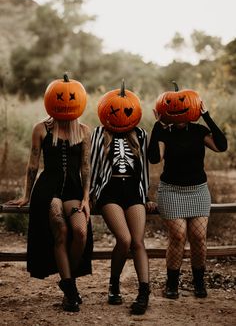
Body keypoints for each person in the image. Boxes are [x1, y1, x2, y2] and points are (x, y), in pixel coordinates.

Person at [8, 91, 93, 312]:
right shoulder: (41, 129)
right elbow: (33, 164)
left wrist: (86, 197)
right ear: (51, 102)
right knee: (61, 229)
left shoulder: (84, 131)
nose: (65, 105)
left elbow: (85, 167)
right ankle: (71, 292)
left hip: (74, 189)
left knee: (80, 232)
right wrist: (27, 195)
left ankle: (68, 281)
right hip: (48, 189)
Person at [147, 100, 227, 299]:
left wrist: (206, 115)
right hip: (171, 191)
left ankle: (198, 282)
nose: (179, 115)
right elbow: (155, 158)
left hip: (198, 191)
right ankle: (172, 284)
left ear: (192, 111)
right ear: (167, 113)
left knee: (199, 238)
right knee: (178, 235)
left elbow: (221, 146)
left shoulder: (199, 131)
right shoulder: (165, 132)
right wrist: (158, 125)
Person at [90, 86, 154, 315]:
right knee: (124, 240)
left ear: (134, 112)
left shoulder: (141, 134)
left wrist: (146, 196)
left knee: (138, 241)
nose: (120, 116)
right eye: (114, 111)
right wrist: (89, 196)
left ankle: (143, 291)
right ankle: (114, 283)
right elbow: (92, 167)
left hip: (133, 191)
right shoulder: (99, 133)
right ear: (105, 111)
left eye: (126, 112)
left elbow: (144, 168)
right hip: (110, 190)